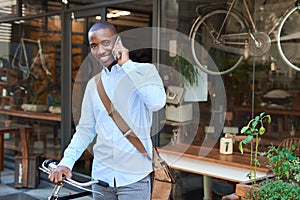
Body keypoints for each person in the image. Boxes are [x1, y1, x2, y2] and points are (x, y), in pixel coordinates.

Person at [48, 21, 166, 200]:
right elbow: (85, 130)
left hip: (134, 178)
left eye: (106, 43)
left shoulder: (144, 71)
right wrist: (66, 163)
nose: (100, 51)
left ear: (118, 41)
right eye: (94, 46)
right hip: (101, 178)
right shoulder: (93, 85)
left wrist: (126, 64)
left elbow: (156, 102)